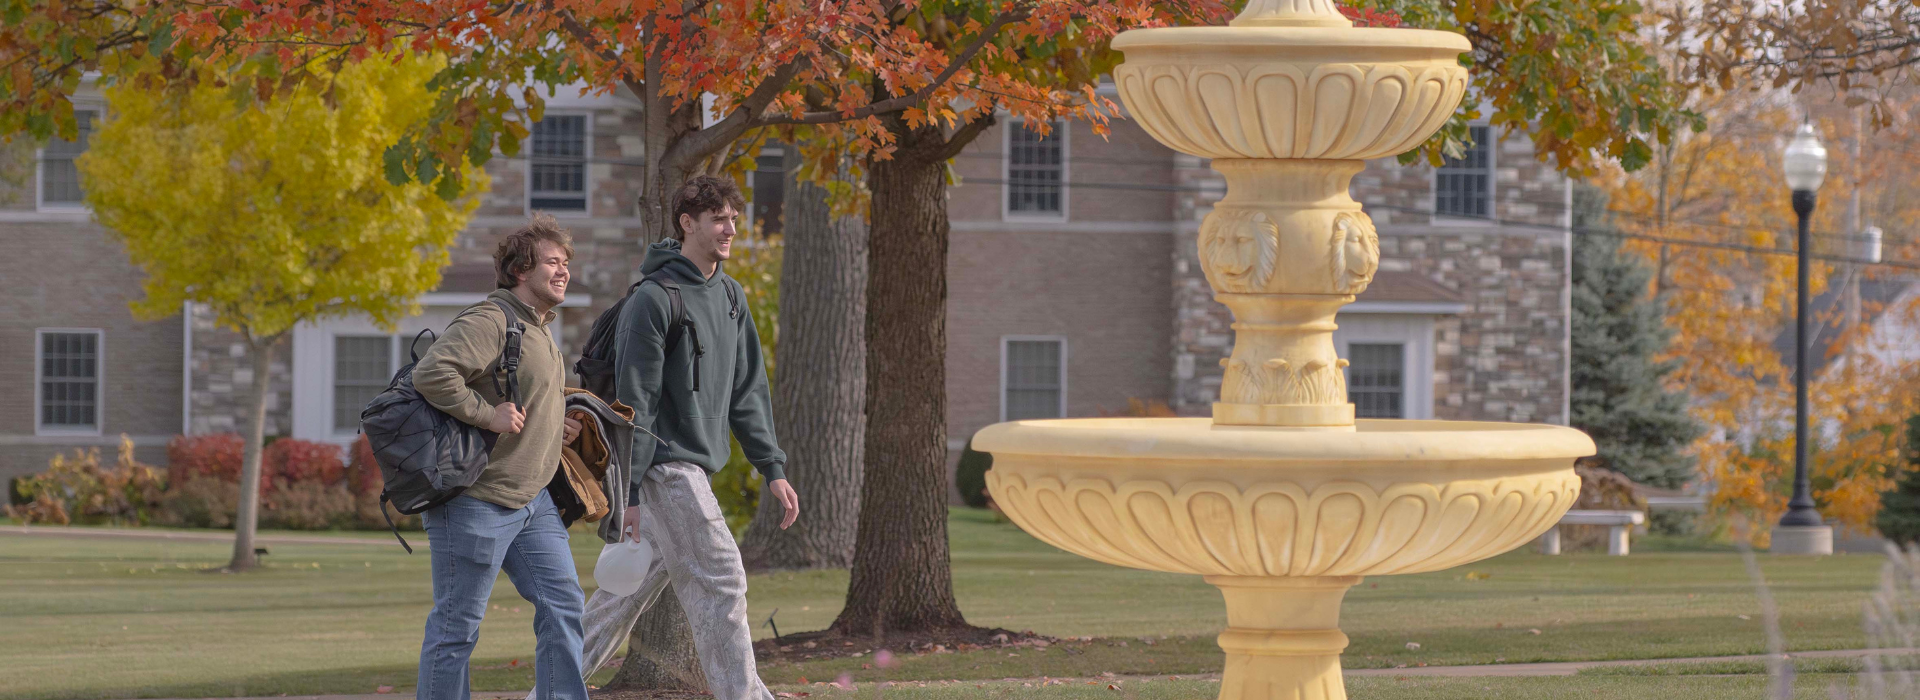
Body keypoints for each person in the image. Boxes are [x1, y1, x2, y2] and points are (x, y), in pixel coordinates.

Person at [561, 176, 800, 700]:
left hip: (691, 468)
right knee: (722, 577)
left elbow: (747, 390)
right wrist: (630, 493)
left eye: (733, 218)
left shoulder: (731, 296)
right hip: (665, 467)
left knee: (620, 595)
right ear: (687, 223)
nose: (730, 228)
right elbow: (635, 405)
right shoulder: (654, 299)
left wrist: (772, 467)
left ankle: (550, 690)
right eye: (718, 219)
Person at [412, 215, 589, 700]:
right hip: (476, 501)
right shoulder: (490, 320)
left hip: (533, 503)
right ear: (519, 270)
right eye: (552, 262)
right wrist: (487, 415)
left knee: (564, 607)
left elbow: (522, 398)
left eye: (566, 262)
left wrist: (556, 426)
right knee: (457, 627)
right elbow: (432, 374)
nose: (563, 270)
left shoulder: (539, 329)